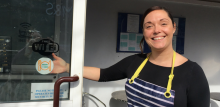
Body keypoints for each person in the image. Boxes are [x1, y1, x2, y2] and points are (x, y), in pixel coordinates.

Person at [51, 6, 210, 107]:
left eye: (163, 23)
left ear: (174, 28)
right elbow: (103, 74)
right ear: (144, 32)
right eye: (149, 26)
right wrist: (67, 67)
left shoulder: (192, 72)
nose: (156, 30)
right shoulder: (135, 61)